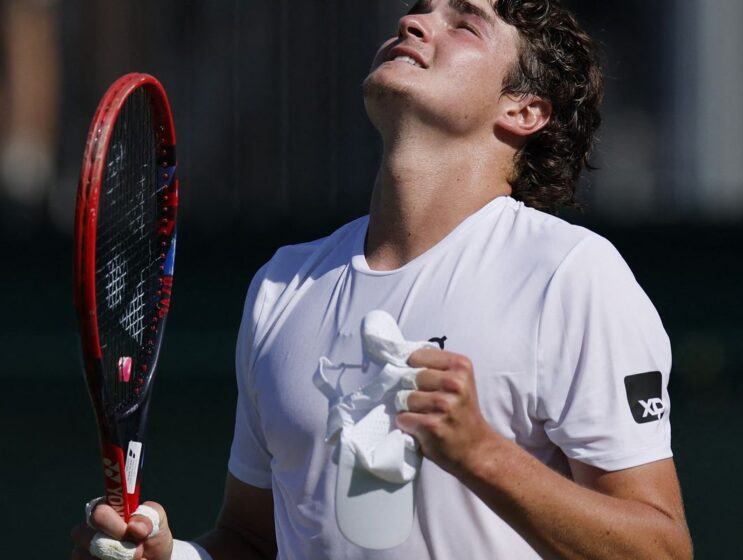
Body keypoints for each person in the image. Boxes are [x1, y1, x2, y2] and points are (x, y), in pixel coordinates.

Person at [72, 0, 692, 558]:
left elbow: (660, 549)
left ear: (524, 109)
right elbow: (254, 541)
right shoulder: (282, 285)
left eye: (464, 23)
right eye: (420, 9)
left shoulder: (571, 276)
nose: (414, 22)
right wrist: (172, 559)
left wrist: (482, 452)